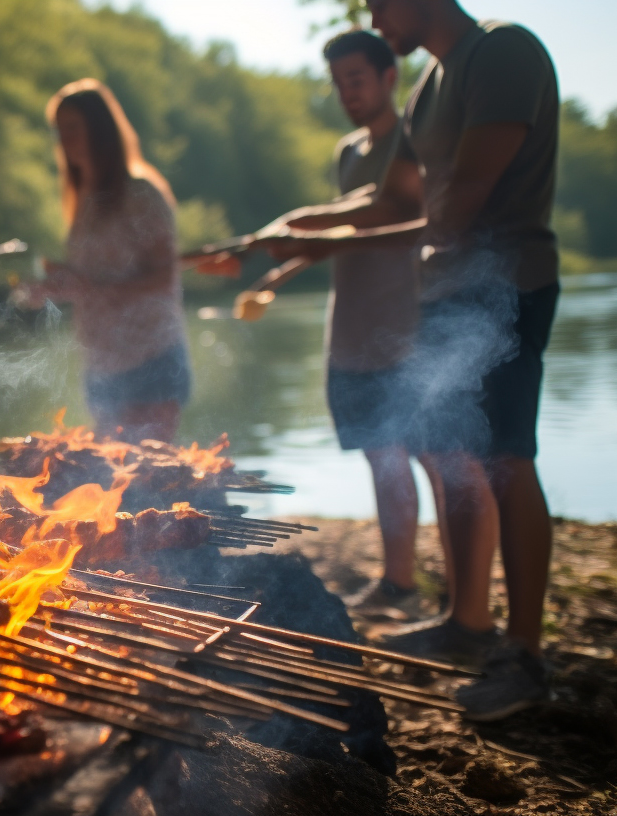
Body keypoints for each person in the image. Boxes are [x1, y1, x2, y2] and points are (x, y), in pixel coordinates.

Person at [260, 1, 561, 719]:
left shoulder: (501, 53)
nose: (370, 12)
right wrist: (298, 227)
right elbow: (387, 197)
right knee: (450, 451)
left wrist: (327, 245)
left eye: (377, 1)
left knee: (504, 461)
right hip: (445, 295)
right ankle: (467, 623)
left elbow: (455, 211)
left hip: (505, 284)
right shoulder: (430, 82)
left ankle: (523, 655)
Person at [259, 30, 449, 622]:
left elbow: (384, 212)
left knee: (433, 457)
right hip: (352, 331)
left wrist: (298, 224)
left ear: (389, 78)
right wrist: (277, 269)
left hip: (406, 328)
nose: (347, 94)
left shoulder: (412, 142)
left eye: (357, 81)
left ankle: (456, 584)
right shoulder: (348, 151)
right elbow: (345, 240)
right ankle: (399, 583)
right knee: (380, 456)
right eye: (339, 83)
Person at [25, 79, 189, 443]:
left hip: (151, 358)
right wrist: (57, 286)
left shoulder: (141, 193)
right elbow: (91, 280)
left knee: (150, 478)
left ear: (99, 130)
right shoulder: (82, 197)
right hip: (101, 364)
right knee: (109, 483)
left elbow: (164, 278)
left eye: (72, 127)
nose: (64, 138)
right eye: (59, 130)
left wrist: (94, 288)